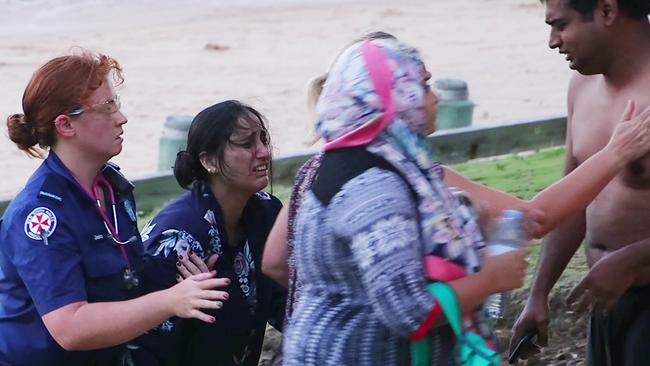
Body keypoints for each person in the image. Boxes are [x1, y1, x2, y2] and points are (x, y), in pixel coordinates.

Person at [0, 51, 229, 366]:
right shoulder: (40, 215)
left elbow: (125, 281)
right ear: (66, 125)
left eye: (116, 104)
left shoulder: (111, 187)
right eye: (107, 107)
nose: (121, 118)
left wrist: (183, 278)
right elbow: (70, 327)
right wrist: (170, 302)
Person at [510, 1, 650, 365]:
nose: (552, 41)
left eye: (560, 25)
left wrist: (634, 259)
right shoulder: (580, 87)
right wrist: (539, 293)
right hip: (605, 304)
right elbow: (574, 199)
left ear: (606, 11)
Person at [131, 100, 286, 366]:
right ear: (209, 160)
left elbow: (283, 304)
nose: (264, 152)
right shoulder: (178, 239)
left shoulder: (267, 211)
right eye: (247, 144)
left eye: (264, 139)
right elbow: (145, 344)